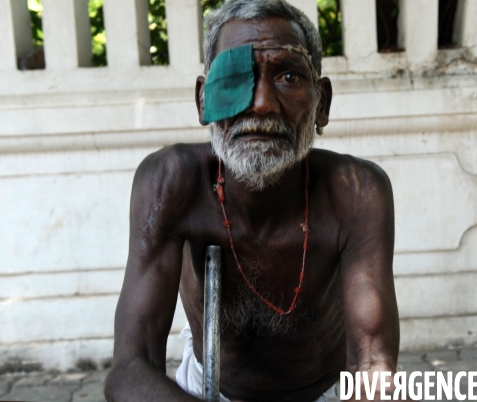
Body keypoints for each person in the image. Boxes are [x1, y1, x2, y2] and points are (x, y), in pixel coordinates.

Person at [104, 1, 400, 401]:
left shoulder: (357, 193)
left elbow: (371, 366)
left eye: (290, 76)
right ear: (204, 101)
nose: (261, 103)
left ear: (322, 104)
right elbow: (129, 369)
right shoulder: (171, 182)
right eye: (234, 78)